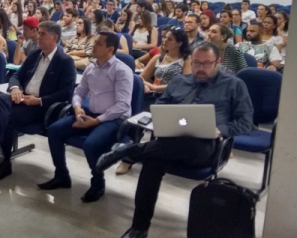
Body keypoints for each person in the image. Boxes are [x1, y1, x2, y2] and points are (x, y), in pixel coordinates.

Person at [95, 42, 253, 238]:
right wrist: (163, 118)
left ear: (218, 62)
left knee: (190, 142)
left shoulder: (234, 85)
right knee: (152, 164)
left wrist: (220, 130)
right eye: (196, 63)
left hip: (204, 146)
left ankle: (129, 151)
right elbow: (160, 106)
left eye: (206, 64)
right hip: (166, 143)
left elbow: (246, 122)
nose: (200, 68)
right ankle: (139, 228)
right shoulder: (179, 82)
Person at [0, 21, 77, 181]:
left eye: (43, 34)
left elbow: (66, 93)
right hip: (22, 98)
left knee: (5, 117)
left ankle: (2, 160)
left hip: (42, 107)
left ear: (54, 37)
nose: (38, 37)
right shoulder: (35, 54)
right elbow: (16, 76)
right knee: (0, 98)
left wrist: (38, 100)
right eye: (38, 33)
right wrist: (15, 88)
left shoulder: (65, 61)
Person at [37, 32, 133, 202]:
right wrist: (77, 107)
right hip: (89, 113)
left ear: (110, 49)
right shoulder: (91, 67)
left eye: (98, 44)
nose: (93, 46)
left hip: (113, 119)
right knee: (54, 130)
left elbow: (122, 106)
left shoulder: (121, 71)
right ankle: (61, 176)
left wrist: (96, 121)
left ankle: (98, 184)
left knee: (91, 145)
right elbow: (79, 92)